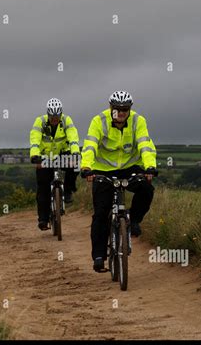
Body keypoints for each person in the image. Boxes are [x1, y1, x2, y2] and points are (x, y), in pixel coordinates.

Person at [80, 91, 158, 272]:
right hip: (103, 169)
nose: (121, 113)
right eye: (118, 109)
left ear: (130, 109)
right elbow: (90, 145)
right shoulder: (98, 121)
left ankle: (135, 220)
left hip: (131, 166)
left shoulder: (139, 121)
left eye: (125, 109)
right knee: (101, 213)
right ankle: (99, 256)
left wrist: (149, 167)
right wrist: (86, 168)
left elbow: (145, 145)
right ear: (111, 108)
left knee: (147, 189)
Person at [30, 98, 81, 230]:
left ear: (61, 114)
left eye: (57, 116)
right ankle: (43, 219)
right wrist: (35, 155)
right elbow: (35, 139)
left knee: (76, 164)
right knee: (43, 188)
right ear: (48, 114)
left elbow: (73, 137)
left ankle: (68, 190)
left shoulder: (66, 120)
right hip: (45, 157)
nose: (54, 119)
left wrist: (75, 152)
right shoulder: (40, 121)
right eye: (52, 116)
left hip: (63, 154)